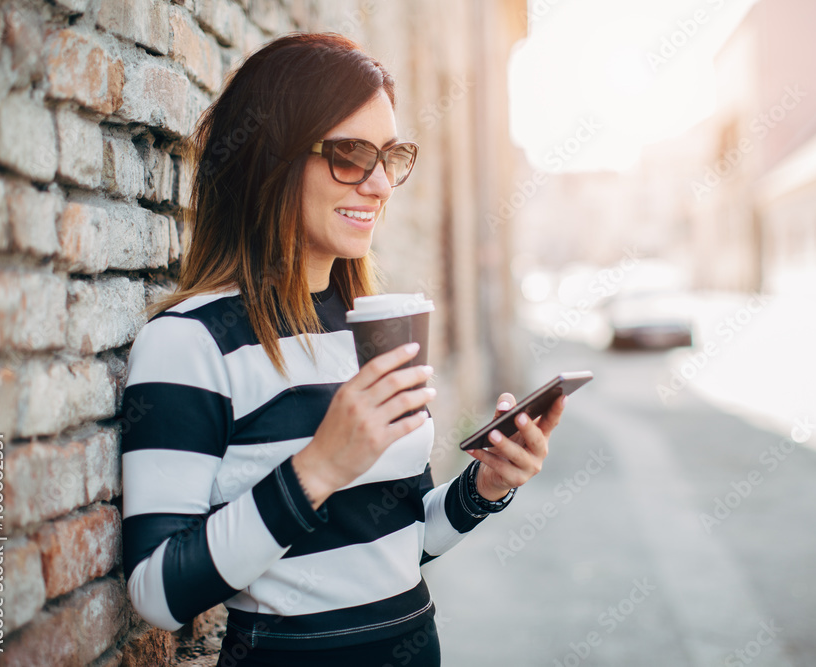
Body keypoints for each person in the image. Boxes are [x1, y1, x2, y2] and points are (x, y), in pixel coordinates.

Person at [120, 33, 566, 666]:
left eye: (391, 156)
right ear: (269, 158)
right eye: (350, 155)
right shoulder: (189, 343)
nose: (380, 184)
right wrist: (320, 468)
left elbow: (400, 546)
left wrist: (485, 487)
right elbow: (157, 592)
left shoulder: (375, 327)